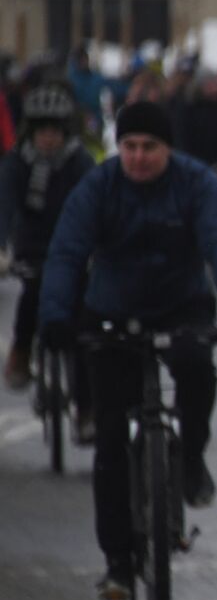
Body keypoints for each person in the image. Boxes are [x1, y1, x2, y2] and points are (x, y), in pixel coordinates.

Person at [38, 101, 217, 600]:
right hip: (111, 311)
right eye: (130, 146)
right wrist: (54, 316)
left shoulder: (196, 184)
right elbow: (68, 252)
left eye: (149, 148)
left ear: (168, 148)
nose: (138, 157)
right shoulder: (99, 185)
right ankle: (118, 562)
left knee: (197, 371)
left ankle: (192, 458)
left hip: (182, 306)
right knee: (110, 436)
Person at [0, 83, 97, 434]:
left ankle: (87, 409)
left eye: (55, 131)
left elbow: (94, 204)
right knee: (31, 295)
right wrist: (2, 248)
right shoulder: (16, 163)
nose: (49, 139)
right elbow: (4, 205)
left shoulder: (79, 161)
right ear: (32, 131)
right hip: (33, 247)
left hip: (73, 249)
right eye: (43, 131)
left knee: (83, 325)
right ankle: (21, 353)